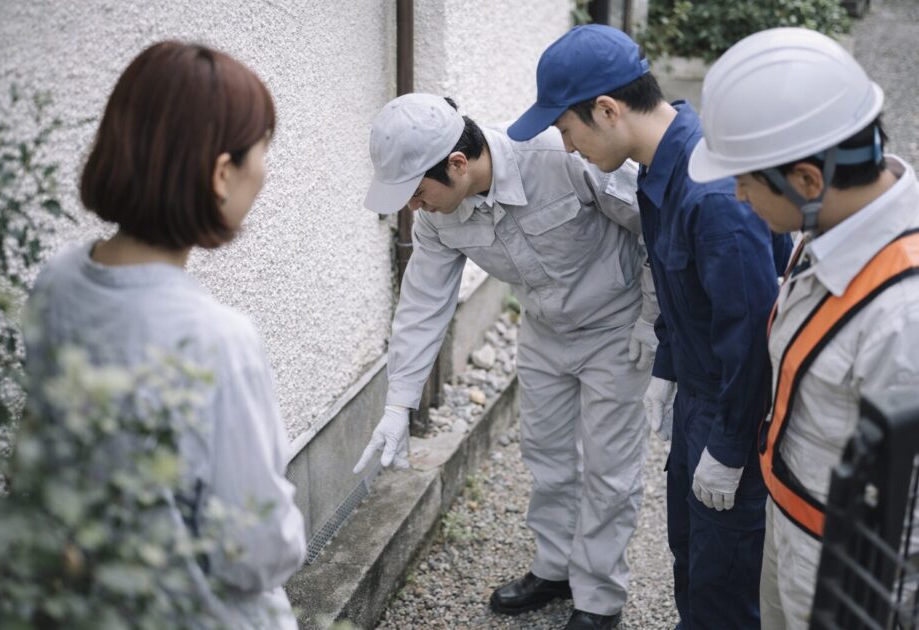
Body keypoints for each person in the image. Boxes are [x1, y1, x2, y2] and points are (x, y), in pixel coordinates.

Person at [509, 25, 792, 630]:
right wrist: (666, 367)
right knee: (690, 559)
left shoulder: (711, 192)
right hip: (696, 394)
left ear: (607, 110)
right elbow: (683, 298)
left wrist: (729, 445)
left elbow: (751, 335)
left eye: (566, 130)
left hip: (733, 410)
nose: (568, 148)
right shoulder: (658, 170)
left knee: (725, 587)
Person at [24, 41, 306, 629]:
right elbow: (255, 550)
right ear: (221, 174)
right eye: (262, 152)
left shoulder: (57, 283)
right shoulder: (217, 340)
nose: (265, 171)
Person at [355, 92, 657, 630]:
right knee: (547, 455)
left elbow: (653, 223)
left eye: (418, 192)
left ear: (457, 163)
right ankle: (555, 568)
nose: (413, 207)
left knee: (609, 470)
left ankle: (600, 598)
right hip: (544, 330)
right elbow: (424, 304)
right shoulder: (438, 219)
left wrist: (653, 319)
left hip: (616, 327)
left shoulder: (558, 155)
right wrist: (398, 403)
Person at [688, 27, 919, 629]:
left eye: (746, 180)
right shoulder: (833, 232)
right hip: (793, 528)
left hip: (852, 573)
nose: (736, 195)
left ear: (809, 181)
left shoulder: (905, 315)